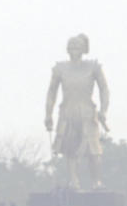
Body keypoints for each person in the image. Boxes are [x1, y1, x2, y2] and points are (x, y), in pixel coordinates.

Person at [45, 34, 110, 189]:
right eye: (71, 46)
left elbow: (104, 89)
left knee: (94, 151)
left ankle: (96, 181)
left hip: (88, 111)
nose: (74, 49)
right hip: (68, 111)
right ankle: (73, 181)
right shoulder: (60, 68)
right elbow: (51, 92)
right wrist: (48, 114)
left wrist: (103, 110)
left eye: (78, 47)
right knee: (70, 149)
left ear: (84, 49)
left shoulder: (93, 67)